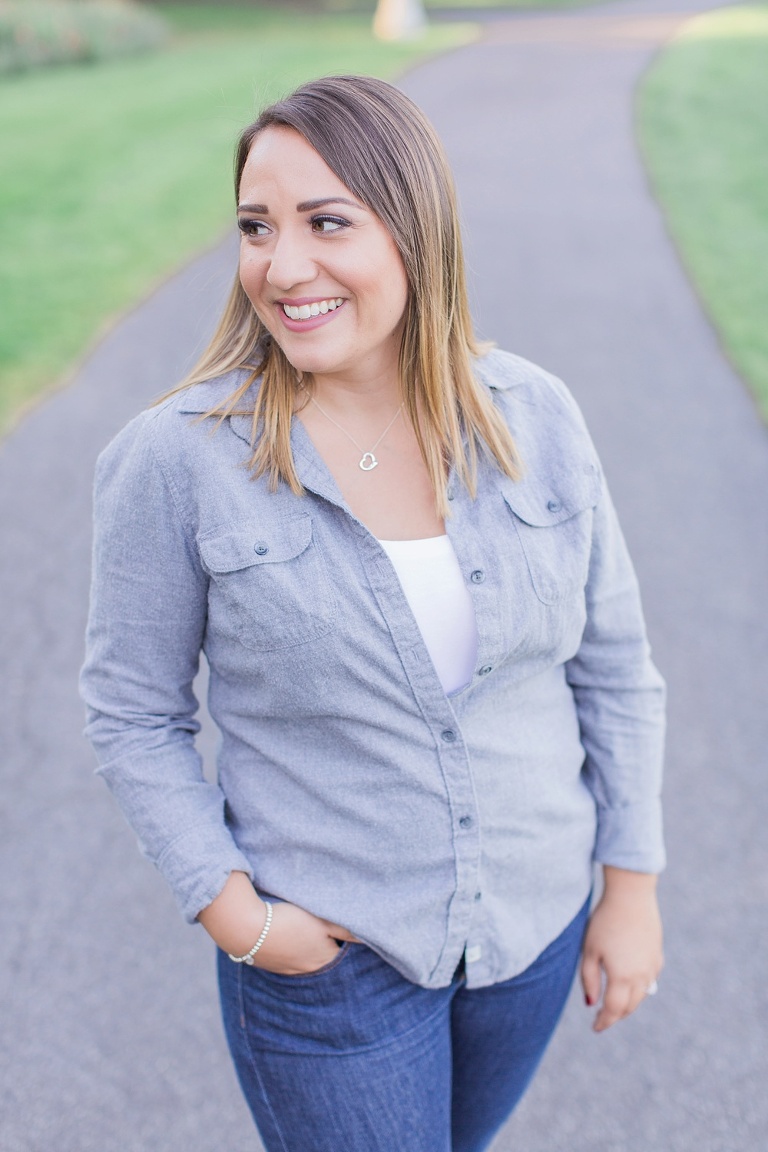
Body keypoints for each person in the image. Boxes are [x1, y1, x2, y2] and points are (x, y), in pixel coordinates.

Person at [80, 75, 665, 1152]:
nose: (282, 265)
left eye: (327, 222)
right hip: (333, 973)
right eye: (257, 226)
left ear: (414, 228)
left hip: (529, 934)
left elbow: (615, 665)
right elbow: (130, 710)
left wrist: (629, 888)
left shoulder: (535, 415)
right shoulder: (176, 460)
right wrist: (236, 915)